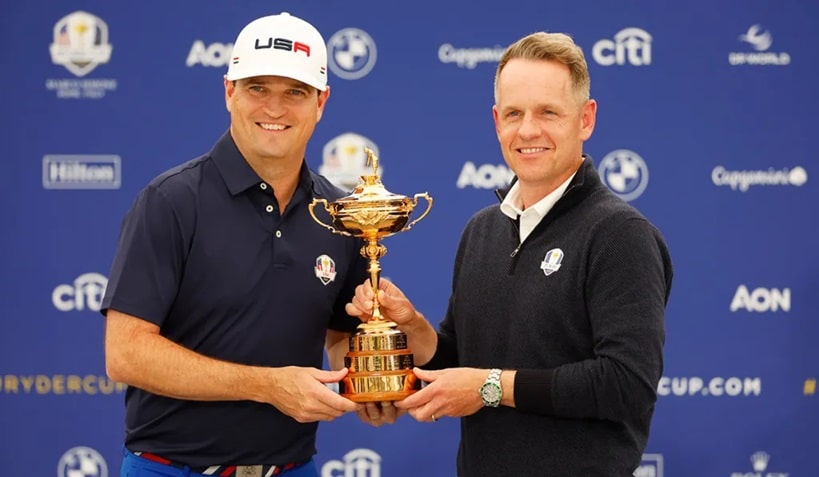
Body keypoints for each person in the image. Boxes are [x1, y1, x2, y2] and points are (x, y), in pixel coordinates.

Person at [347, 31, 673, 476]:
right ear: (497, 120)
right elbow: (458, 365)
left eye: (548, 113)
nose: (528, 130)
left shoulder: (620, 235)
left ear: (586, 119)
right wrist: (410, 325)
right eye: (515, 113)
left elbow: (625, 385)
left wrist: (490, 387)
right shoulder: (482, 230)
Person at [101, 12, 372, 477]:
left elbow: (341, 335)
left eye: (295, 92)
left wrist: (371, 381)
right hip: (171, 470)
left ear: (321, 102)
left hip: (291, 468)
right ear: (229, 92)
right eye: (257, 88)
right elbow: (126, 354)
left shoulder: (338, 213)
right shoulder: (170, 202)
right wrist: (268, 386)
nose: (275, 108)